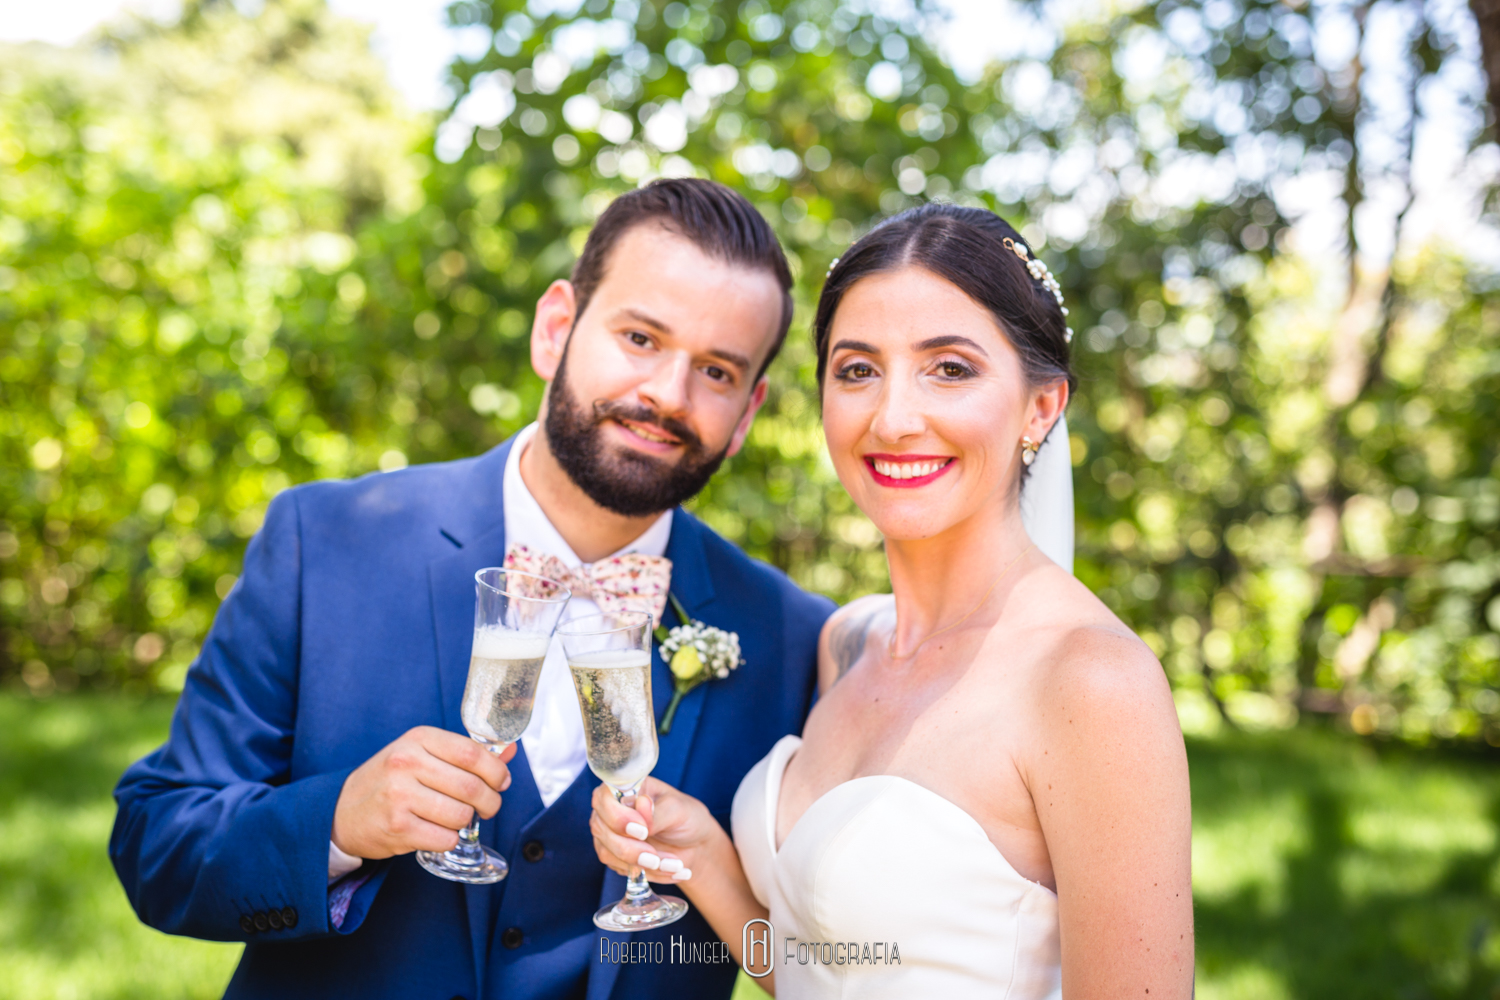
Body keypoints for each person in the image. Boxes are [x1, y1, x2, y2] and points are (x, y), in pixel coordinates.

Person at [109, 178, 835, 1000]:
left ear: (746, 412)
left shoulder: (792, 637)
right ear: (556, 328)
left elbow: (822, 965)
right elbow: (156, 843)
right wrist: (339, 823)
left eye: (716, 370)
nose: (668, 394)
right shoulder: (327, 541)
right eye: (639, 338)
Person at [589, 204, 1195, 998]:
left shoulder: (1088, 684)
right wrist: (704, 858)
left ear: (1041, 408)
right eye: (857, 369)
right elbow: (822, 971)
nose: (894, 417)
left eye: (950, 368)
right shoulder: (846, 642)